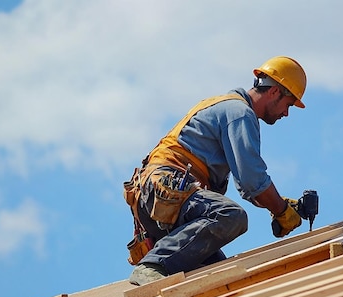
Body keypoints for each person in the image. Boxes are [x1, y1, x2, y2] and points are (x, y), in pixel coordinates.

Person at [128, 56, 307, 285]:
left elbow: (247, 188)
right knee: (231, 216)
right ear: (274, 92)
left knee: (217, 277)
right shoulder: (240, 112)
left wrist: (278, 205)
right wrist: (281, 210)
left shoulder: (226, 105)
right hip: (166, 189)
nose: (286, 113)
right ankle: (154, 265)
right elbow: (252, 179)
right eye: (288, 104)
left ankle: (160, 271)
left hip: (163, 199)